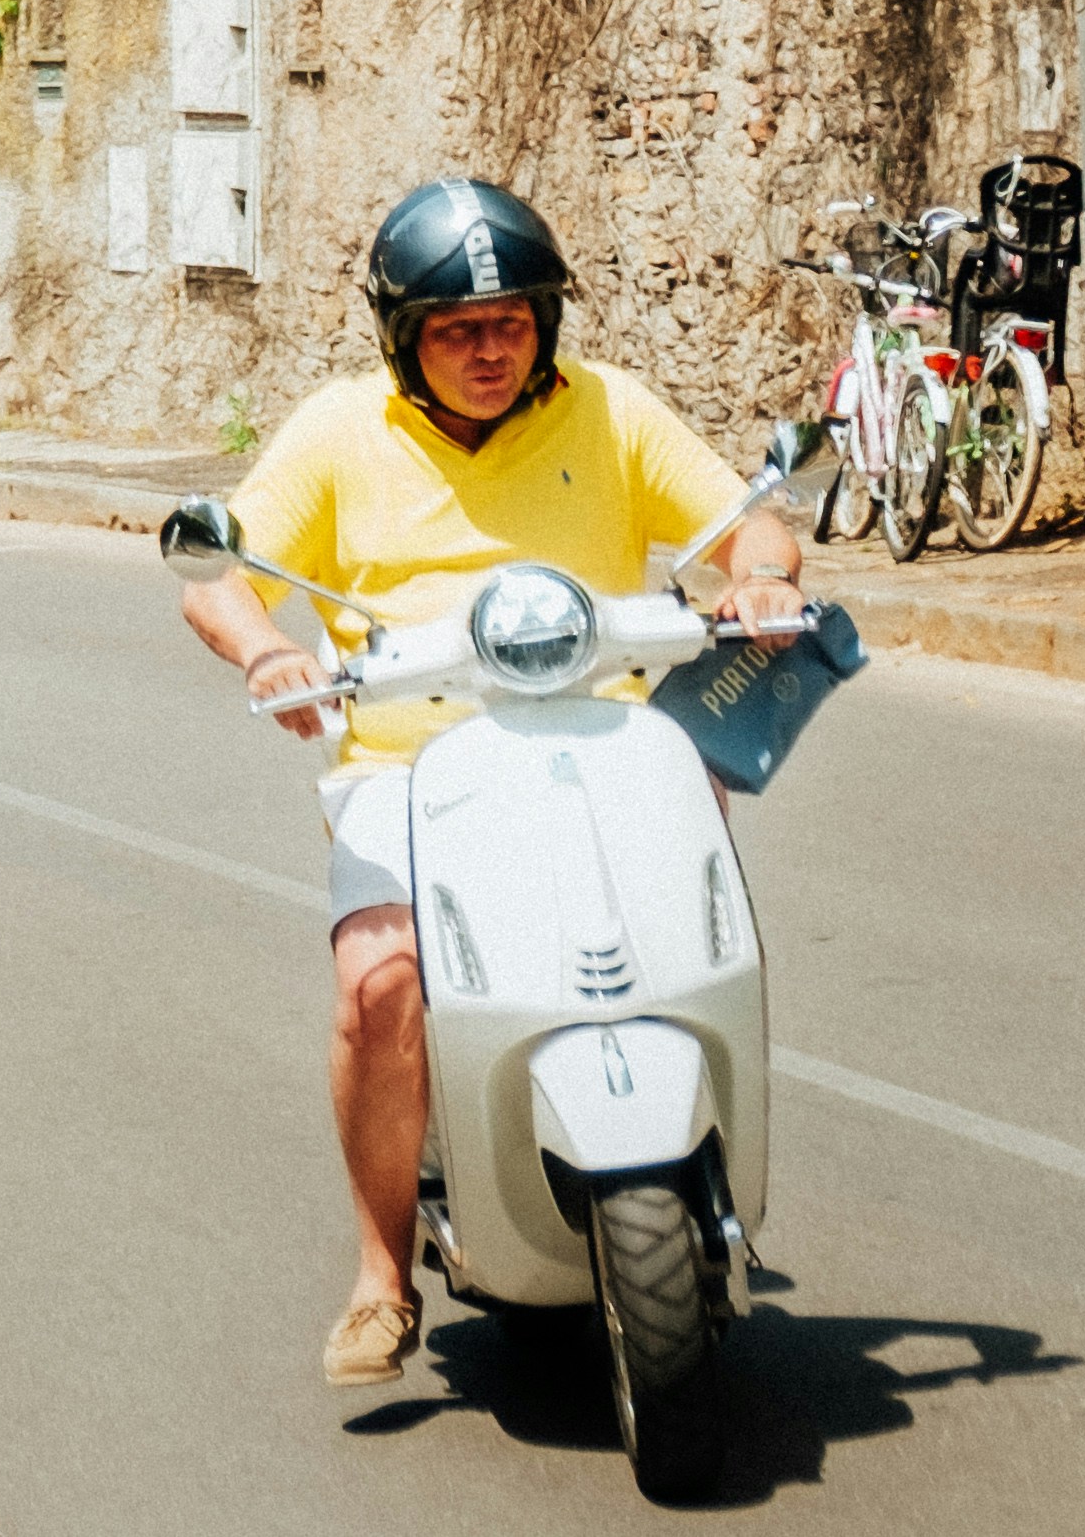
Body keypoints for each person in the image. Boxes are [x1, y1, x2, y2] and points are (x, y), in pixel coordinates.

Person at [178, 177, 806, 1389]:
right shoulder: (338, 431)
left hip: (604, 737)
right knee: (379, 982)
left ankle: (708, 1160)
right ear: (402, 340)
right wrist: (266, 648)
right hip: (407, 761)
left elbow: (747, 525)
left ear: (545, 325)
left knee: (694, 928)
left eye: (509, 323)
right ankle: (377, 1269)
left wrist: (763, 580)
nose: (486, 350)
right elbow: (221, 575)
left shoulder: (610, 412)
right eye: (456, 331)